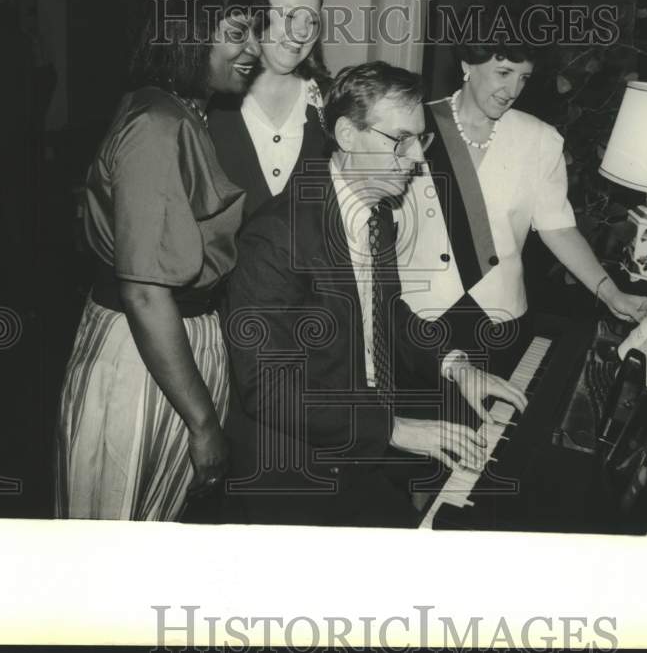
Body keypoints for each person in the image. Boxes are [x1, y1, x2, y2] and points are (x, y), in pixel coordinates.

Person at [220, 62, 527, 527]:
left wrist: (457, 367)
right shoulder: (275, 238)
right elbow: (268, 389)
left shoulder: (376, 211)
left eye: (420, 139)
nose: (417, 157)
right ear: (346, 134)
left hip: (359, 433)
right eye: (399, 139)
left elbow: (386, 314)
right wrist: (394, 429)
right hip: (292, 465)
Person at [55, 0, 260, 521]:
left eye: (254, 33)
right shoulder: (157, 124)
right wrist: (203, 424)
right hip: (144, 353)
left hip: (174, 342)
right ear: (188, 35)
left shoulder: (182, 111)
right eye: (236, 34)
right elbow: (145, 292)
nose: (254, 50)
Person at [396, 0, 647, 359]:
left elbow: (558, 229)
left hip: (499, 321)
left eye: (524, 78)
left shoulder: (540, 140)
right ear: (468, 63)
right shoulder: (413, 127)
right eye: (503, 73)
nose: (513, 90)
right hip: (417, 320)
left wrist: (612, 294)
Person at [208, 0, 330, 217]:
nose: (302, 31)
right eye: (289, 15)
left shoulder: (330, 103)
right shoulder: (210, 104)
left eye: (312, 21)